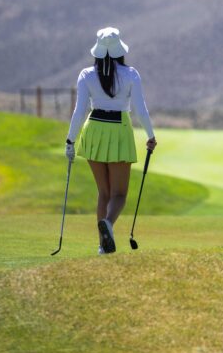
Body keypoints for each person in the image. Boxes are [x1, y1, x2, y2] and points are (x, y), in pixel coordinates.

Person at [65, 27, 156, 254]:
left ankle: (102, 246)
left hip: (93, 130)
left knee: (103, 193)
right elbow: (140, 110)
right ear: (119, 51)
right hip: (119, 129)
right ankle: (107, 223)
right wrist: (151, 135)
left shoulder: (86, 75)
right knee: (119, 195)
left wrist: (70, 141)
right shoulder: (131, 74)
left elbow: (79, 111)